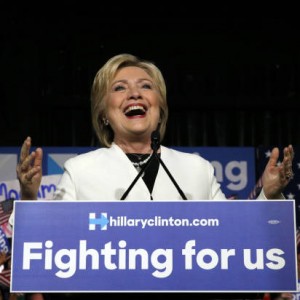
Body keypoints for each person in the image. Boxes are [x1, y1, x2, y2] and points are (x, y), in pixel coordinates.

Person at [13, 53, 295, 299]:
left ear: (159, 110)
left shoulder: (197, 168)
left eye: (146, 86)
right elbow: (46, 250)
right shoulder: (80, 170)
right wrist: (28, 195)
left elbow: (236, 243)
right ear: (104, 115)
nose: (134, 94)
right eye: (120, 88)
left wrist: (267, 195)